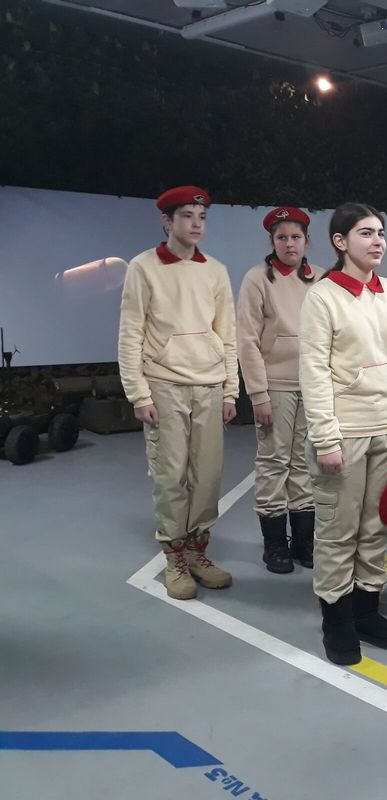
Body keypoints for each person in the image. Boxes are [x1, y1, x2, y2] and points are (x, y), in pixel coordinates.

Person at [299, 202, 387, 666]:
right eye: (366, 233)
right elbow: (314, 372)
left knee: (376, 527)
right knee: (338, 529)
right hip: (345, 433)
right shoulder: (323, 297)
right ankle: (336, 619)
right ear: (340, 242)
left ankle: (366, 610)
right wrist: (326, 439)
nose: (377, 242)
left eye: (380, 233)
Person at [118, 185, 238, 600]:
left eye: (202, 217)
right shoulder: (144, 267)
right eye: (186, 216)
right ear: (167, 222)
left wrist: (230, 390)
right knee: (170, 476)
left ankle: (198, 552)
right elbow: (130, 333)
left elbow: (227, 334)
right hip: (164, 384)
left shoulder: (215, 270)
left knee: (207, 475)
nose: (196, 224)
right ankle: (175, 557)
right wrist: (139, 394)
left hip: (209, 384)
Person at [237, 206, 323, 574]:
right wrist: (258, 394)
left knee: (306, 463)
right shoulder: (258, 279)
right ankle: (275, 545)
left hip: (313, 386)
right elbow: (246, 340)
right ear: (272, 241)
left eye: (296, 237)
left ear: (307, 241)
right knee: (274, 462)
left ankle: (304, 542)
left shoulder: (321, 279)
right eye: (282, 237)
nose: (289, 244)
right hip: (275, 387)